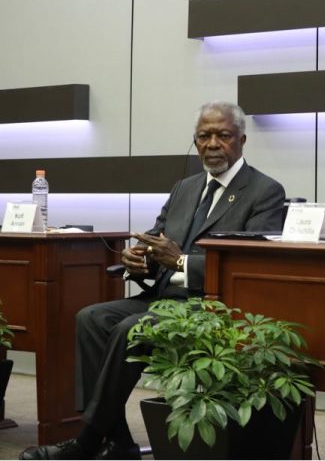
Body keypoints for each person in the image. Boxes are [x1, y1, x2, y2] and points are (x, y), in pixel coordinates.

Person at [20, 101, 286, 460]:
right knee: (92, 318)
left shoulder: (264, 192)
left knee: (132, 327)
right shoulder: (184, 188)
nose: (212, 144)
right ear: (195, 141)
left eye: (222, 136)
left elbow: (252, 268)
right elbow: (156, 237)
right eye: (204, 136)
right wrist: (137, 259)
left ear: (241, 140)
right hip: (163, 299)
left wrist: (180, 260)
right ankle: (119, 442)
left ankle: (87, 441)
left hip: (212, 307)